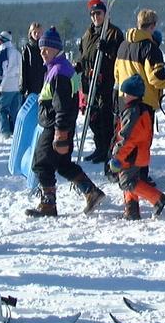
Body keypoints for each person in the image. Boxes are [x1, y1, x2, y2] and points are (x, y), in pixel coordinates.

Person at [26, 26, 106, 217]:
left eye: (46, 49)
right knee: (62, 163)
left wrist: (60, 132)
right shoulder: (60, 68)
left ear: (56, 49)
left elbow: (61, 105)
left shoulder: (59, 72)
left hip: (55, 126)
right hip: (62, 125)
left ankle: (48, 204)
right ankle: (91, 191)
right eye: (41, 49)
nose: (42, 53)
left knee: (41, 163)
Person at [109, 74, 165, 220]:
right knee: (131, 180)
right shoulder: (141, 109)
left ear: (133, 95)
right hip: (137, 153)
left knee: (127, 182)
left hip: (130, 154)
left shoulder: (132, 112)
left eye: (126, 93)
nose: (123, 95)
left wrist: (117, 156)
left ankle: (157, 198)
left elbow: (127, 138)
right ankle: (132, 210)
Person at [78, 0, 125, 163]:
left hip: (106, 82)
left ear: (105, 14)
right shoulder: (88, 34)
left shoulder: (113, 33)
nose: (95, 17)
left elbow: (120, 58)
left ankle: (107, 149)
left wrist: (108, 50)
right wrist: (77, 66)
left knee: (105, 118)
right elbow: (84, 55)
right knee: (93, 118)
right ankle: (99, 148)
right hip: (89, 82)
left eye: (98, 13)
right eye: (92, 14)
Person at [0, 30, 22, 139]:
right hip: (17, 87)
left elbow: (0, 71)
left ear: (2, 41)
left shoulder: (3, 53)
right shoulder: (17, 53)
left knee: (1, 109)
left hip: (6, 86)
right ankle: (16, 131)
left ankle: (5, 132)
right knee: (15, 110)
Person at [20, 22, 46, 99]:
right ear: (30, 33)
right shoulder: (27, 48)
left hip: (43, 82)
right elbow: (23, 68)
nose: (37, 34)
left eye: (39, 32)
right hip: (31, 84)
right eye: (34, 32)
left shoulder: (44, 48)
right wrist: (23, 86)